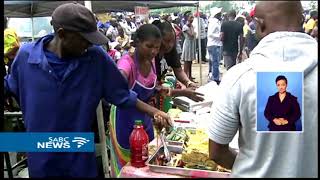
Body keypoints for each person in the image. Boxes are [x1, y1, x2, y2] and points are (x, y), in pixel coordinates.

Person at [4, 3, 171, 178]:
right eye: (84, 39)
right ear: (62, 34)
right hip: (41, 157)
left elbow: (122, 96)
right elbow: (11, 87)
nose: (89, 44)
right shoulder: (26, 58)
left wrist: (156, 112)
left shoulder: (95, 58)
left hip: (79, 158)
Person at [208, 1, 317, 178]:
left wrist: (254, 168)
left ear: (259, 24)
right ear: (302, 20)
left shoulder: (240, 77)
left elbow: (216, 152)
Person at [109, 24, 166, 177]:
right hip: (126, 122)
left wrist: (159, 91)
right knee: (130, 166)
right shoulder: (126, 64)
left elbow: (150, 87)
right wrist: (154, 111)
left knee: (148, 163)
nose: (154, 51)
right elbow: (118, 90)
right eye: (149, 46)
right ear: (136, 43)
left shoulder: (152, 61)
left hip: (145, 120)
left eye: (157, 47)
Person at [152, 20, 204, 103]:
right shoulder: (151, 56)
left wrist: (188, 83)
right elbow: (153, 87)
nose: (170, 45)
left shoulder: (170, 51)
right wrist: (183, 92)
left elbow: (178, 70)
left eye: (173, 41)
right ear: (158, 39)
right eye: (167, 41)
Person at [207, 7, 223, 84]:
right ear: (216, 14)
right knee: (215, 62)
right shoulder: (214, 22)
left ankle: (212, 76)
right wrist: (219, 36)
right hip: (214, 44)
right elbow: (210, 33)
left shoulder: (216, 22)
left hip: (214, 44)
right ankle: (215, 78)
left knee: (213, 62)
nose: (221, 14)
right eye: (220, 13)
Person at [181, 13, 197, 80]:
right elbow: (192, 35)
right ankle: (185, 77)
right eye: (191, 17)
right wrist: (192, 29)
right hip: (187, 45)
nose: (192, 19)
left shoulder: (191, 26)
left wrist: (192, 27)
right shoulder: (185, 27)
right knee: (186, 61)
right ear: (187, 18)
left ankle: (190, 76)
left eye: (193, 17)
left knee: (190, 61)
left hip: (192, 44)